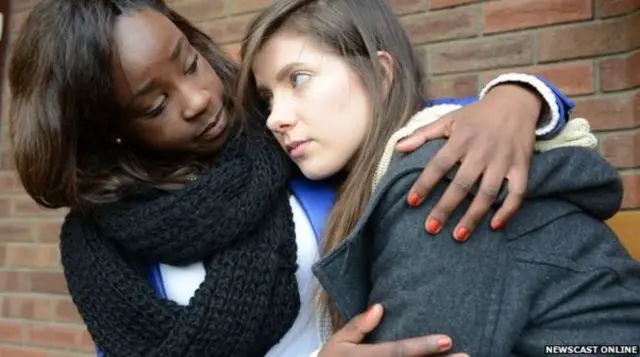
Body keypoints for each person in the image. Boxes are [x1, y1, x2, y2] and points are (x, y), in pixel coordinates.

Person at [8, 0, 577, 356]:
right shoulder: (100, 250)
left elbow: (421, 127)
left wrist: (518, 96)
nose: (201, 98)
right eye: (155, 106)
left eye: (188, 62)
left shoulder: (287, 138)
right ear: (109, 130)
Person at [239, 0, 640, 355]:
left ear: (381, 73)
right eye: (267, 99)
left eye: (298, 79)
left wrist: (520, 93)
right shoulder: (385, 173)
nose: (276, 118)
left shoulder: (439, 178)